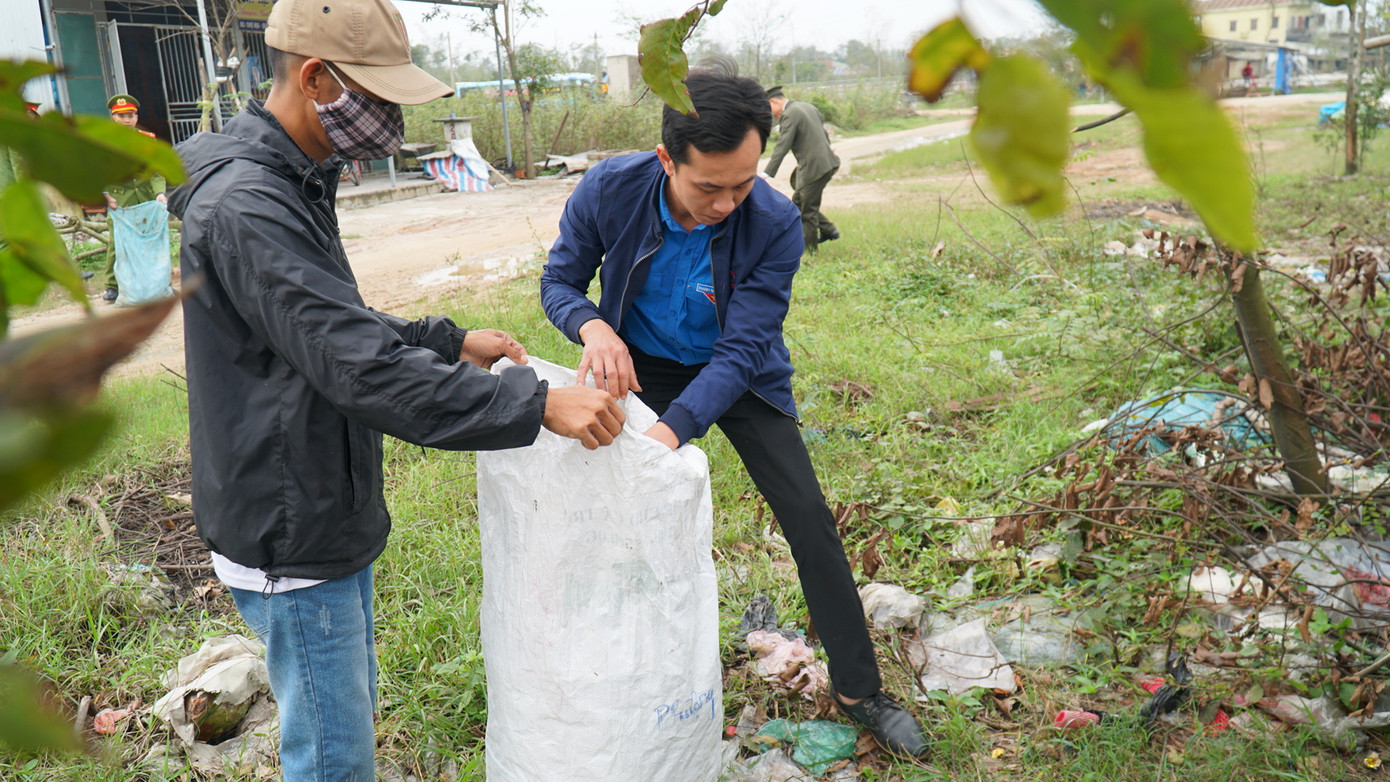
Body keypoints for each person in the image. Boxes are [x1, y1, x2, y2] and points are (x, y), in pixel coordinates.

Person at [166, 0, 625, 778]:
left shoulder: (290, 179)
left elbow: (319, 322)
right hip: (291, 524)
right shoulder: (249, 203)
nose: (389, 119)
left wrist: (444, 341)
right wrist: (537, 404)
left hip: (316, 502)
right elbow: (356, 365)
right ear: (316, 80)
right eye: (378, 97)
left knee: (343, 720)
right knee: (335, 757)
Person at [539, 70, 929, 759]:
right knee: (617, 516)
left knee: (808, 516)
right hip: (641, 362)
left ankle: (860, 690)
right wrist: (594, 329)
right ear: (667, 160)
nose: (725, 204)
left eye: (742, 185)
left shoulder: (774, 221)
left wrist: (669, 433)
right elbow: (560, 282)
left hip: (740, 372)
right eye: (709, 187)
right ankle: (619, 673)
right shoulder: (609, 189)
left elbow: (745, 347)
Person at [102, 94, 167, 303]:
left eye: (130, 116)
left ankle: (155, 282)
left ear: (136, 117)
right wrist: (104, 195)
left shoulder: (147, 140)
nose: (127, 120)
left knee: (150, 240)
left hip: (145, 198)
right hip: (119, 200)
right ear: (113, 117)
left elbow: (156, 171)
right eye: (121, 116)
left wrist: (159, 193)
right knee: (117, 243)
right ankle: (112, 285)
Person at [762, 85, 841, 253]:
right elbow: (824, 135)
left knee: (807, 211)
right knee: (798, 203)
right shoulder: (807, 107)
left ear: (773, 102)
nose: (771, 113)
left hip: (814, 168)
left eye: (768, 108)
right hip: (828, 163)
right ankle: (829, 230)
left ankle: (810, 251)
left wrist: (766, 173)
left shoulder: (789, 114)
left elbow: (782, 146)